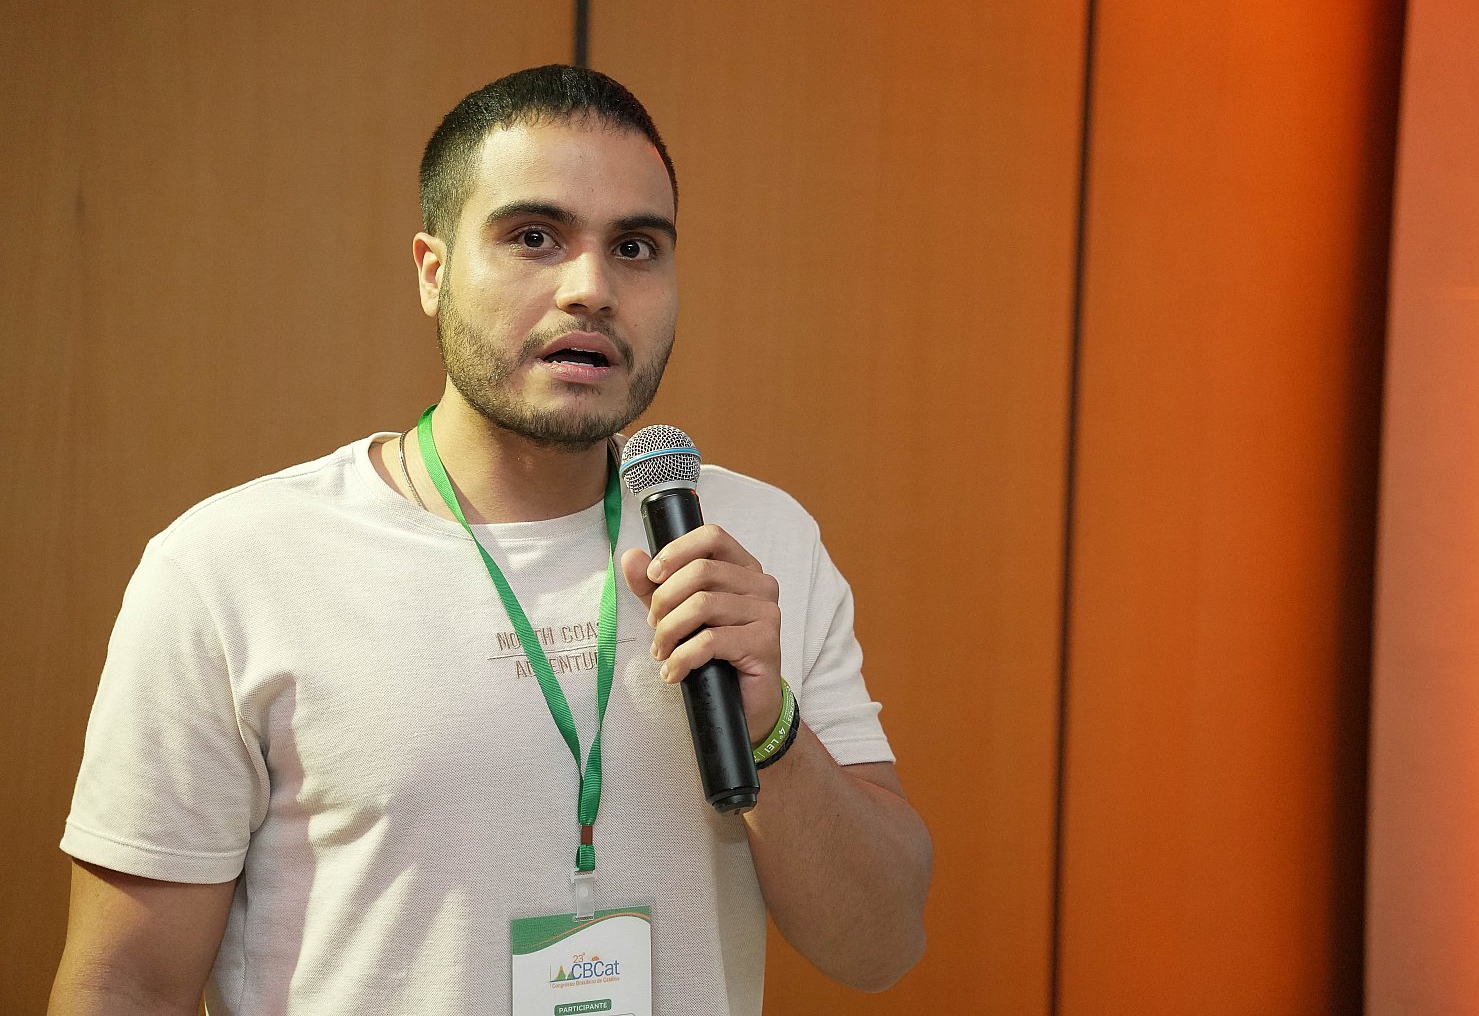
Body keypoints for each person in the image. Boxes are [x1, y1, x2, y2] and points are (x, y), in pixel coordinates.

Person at [48, 65, 931, 1015]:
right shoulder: (231, 568)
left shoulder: (755, 543)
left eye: (635, 247)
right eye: (535, 237)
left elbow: (880, 943)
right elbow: (124, 983)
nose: (591, 288)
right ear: (432, 271)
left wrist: (770, 731)